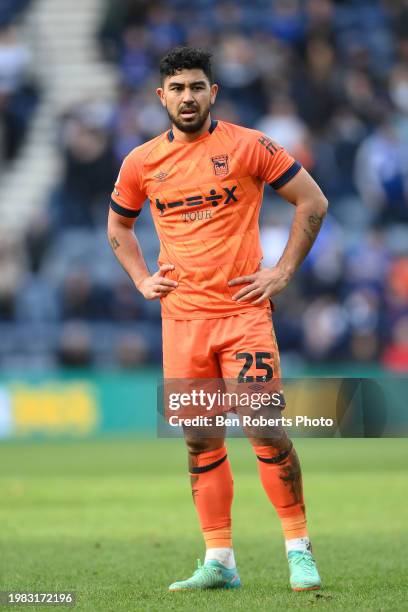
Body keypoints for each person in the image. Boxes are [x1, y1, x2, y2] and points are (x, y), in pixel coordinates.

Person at [107, 46, 328, 592]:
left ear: (214, 93)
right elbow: (118, 228)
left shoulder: (249, 146)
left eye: (197, 87)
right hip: (182, 324)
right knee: (200, 442)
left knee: (265, 428)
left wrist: (282, 272)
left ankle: (299, 549)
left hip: (243, 316)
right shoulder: (141, 162)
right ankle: (219, 560)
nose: (188, 97)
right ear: (162, 96)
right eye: (177, 88)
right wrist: (140, 279)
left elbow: (313, 202)